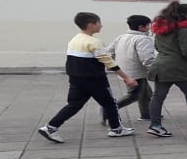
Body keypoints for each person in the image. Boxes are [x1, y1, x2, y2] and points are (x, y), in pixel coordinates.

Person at [37, 12, 137, 143]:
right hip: (95, 80)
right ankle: (116, 129)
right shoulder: (95, 42)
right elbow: (109, 62)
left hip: (76, 79)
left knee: (74, 105)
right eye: (99, 23)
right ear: (91, 25)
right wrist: (127, 78)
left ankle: (50, 127)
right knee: (110, 104)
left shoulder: (75, 39)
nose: (101, 26)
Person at [146, 1, 187, 137]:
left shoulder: (161, 28)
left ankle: (155, 125)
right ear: (184, 16)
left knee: (158, 97)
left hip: (160, 66)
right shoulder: (185, 30)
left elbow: (157, 47)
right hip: (178, 68)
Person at [103, 15, 156, 122]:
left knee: (146, 93)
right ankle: (108, 110)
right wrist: (155, 70)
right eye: (148, 25)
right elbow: (147, 59)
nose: (150, 28)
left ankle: (146, 114)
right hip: (136, 73)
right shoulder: (143, 39)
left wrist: (114, 65)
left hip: (124, 71)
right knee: (134, 95)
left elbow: (108, 52)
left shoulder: (121, 37)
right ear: (141, 27)